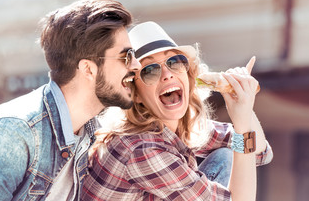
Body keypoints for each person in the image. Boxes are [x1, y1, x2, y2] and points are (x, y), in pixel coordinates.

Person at [81, 21, 273, 201]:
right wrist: (242, 121)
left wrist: (242, 100)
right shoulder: (141, 150)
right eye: (150, 71)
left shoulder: (177, 126)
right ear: (135, 94)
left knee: (226, 156)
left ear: (188, 76)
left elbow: (261, 152)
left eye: (175, 62)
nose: (167, 74)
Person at [0, 0, 141, 200]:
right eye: (126, 57)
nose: (136, 65)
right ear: (88, 69)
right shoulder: (15, 133)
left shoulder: (91, 132)